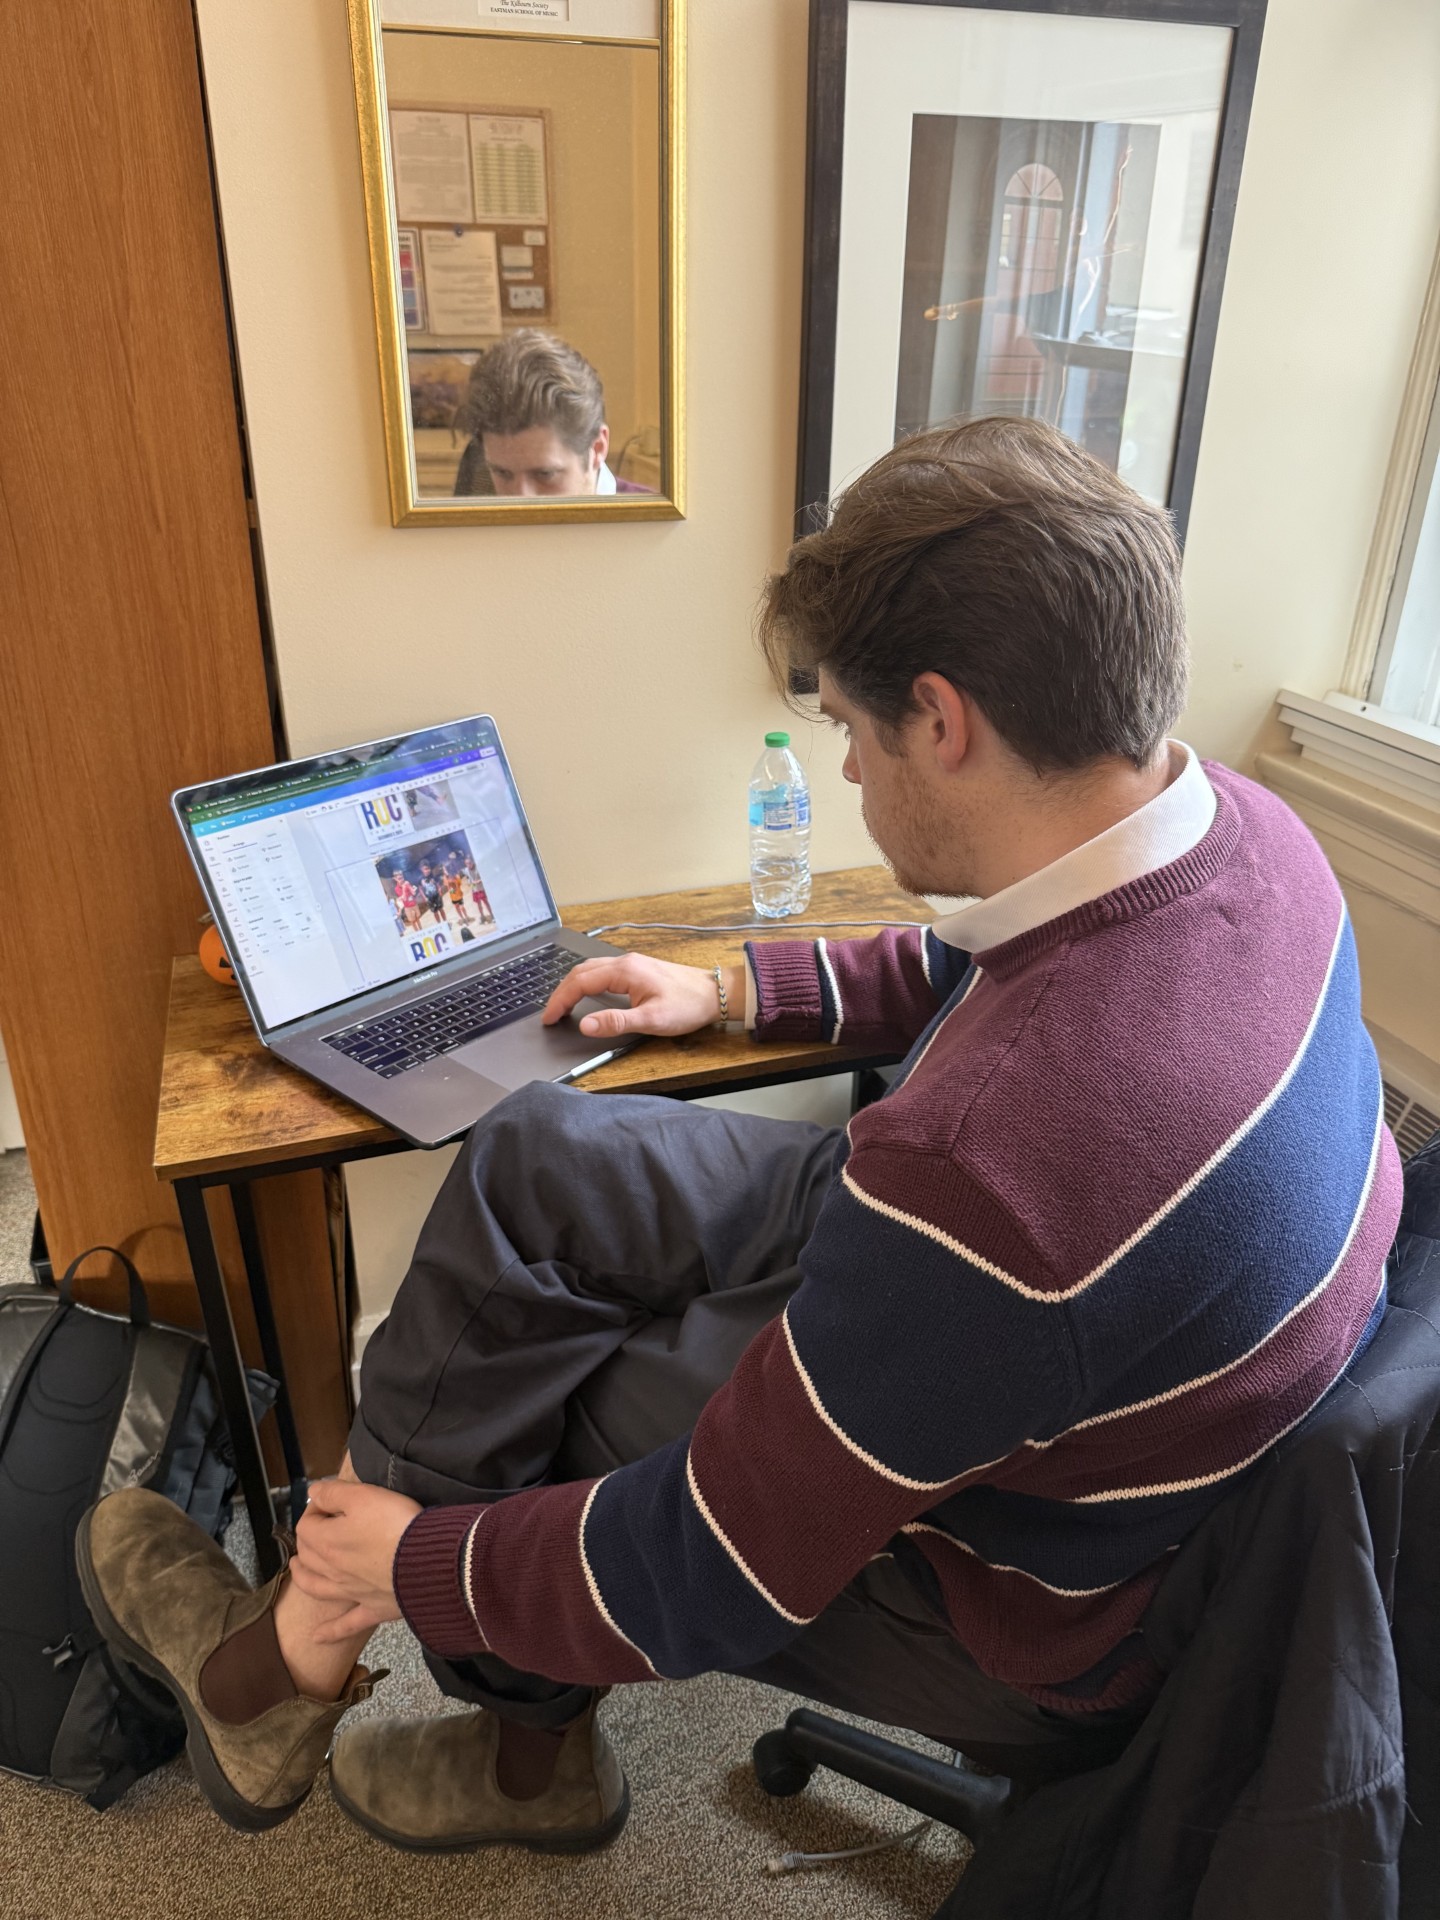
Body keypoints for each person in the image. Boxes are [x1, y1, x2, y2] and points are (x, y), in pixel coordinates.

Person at [78, 417, 1401, 1855]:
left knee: (543, 1412)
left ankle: (369, 1687)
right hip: (1083, 1357)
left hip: (1044, 1608)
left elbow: (713, 1566)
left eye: (846, 726)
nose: (843, 774)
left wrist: (426, 1564)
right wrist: (725, 988)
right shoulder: (1246, 835)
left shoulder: (990, 1181)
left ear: (942, 721)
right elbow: (987, 958)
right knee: (542, 1147)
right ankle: (340, 1639)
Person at [451, 329, 653, 499]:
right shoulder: (476, 530)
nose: (520, 500)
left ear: (598, 448)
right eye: (502, 473)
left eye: (545, 474)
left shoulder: (658, 529)